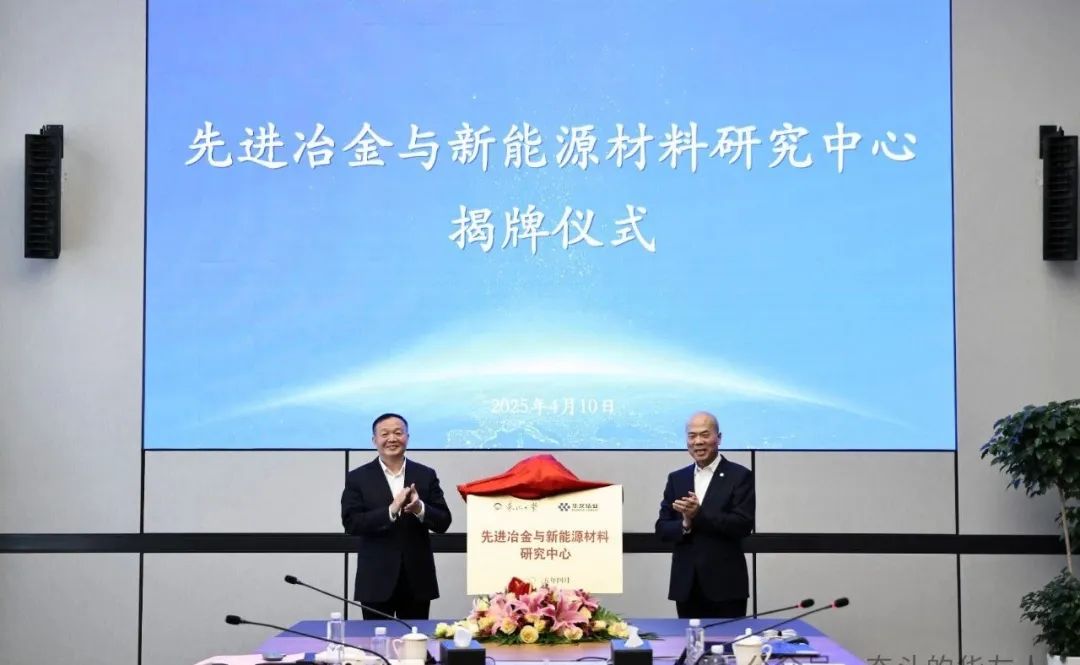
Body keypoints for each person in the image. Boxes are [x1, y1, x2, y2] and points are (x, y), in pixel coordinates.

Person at [341, 413, 452, 619]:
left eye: (398, 433)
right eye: (385, 434)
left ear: (407, 437)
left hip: (416, 579)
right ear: (374, 440)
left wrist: (419, 508)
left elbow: (443, 521)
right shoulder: (358, 477)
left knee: (415, 637)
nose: (392, 438)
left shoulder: (425, 474)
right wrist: (390, 510)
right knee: (375, 637)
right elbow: (351, 523)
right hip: (375, 580)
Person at [655, 411, 755, 618]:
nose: (698, 442)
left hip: (726, 585)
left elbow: (743, 525)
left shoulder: (739, 476)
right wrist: (685, 523)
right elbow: (662, 528)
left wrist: (699, 514)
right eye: (692, 436)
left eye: (705, 435)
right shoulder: (677, 478)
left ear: (719, 438)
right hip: (687, 585)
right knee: (689, 638)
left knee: (727, 638)